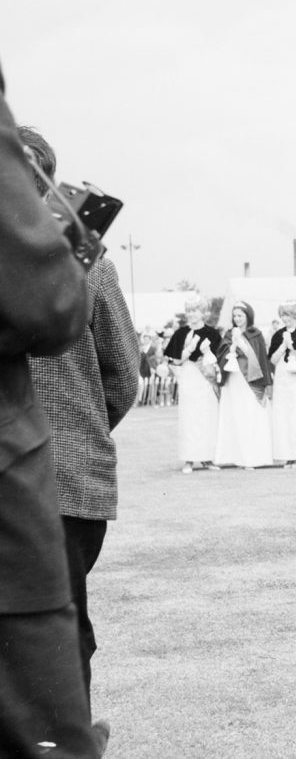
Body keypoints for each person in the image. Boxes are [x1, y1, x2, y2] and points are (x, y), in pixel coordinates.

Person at [0, 66, 109, 756]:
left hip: (61, 473)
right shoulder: (78, 260)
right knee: (53, 671)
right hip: (35, 480)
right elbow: (119, 369)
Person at [23, 126, 138, 713]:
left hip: (62, 483)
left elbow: (122, 376)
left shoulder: (87, 265)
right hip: (56, 476)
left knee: (56, 631)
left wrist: (73, 432)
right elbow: (122, 380)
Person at [163, 296, 222, 473]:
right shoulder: (181, 334)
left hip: (206, 379)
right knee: (189, 417)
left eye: (195, 310)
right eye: (189, 311)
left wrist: (207, 353)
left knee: (207, 416)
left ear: (202, 312)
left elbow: (219, 358)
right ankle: (189, 459)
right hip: (189, 376)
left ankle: (207, 458)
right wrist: (190, 347)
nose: (192, 314)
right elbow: (174, 360)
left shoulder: (213, 333)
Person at [214, 301, 274, 468]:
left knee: (250, 415)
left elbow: (262, 359)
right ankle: (235, 456)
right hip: (234, 379)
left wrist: (267, 383)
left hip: (251, 381)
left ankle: (253, 456)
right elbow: (222, 354)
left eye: (240, 315)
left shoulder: (256, 334)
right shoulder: (228, 334)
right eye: (235, 316)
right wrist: (232, 345)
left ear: (248, 316)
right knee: (234, 415)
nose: (237, 319)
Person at [268, 300, 296, 467]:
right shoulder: (278, 334)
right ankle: (286, 454)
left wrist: (292, 347)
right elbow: (272, 359)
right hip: (281, 377)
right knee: (281, 416)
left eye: (287, 314)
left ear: (295, 315)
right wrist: (283, 345)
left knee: (295, 415)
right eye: (282, 315)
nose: (284, 318)